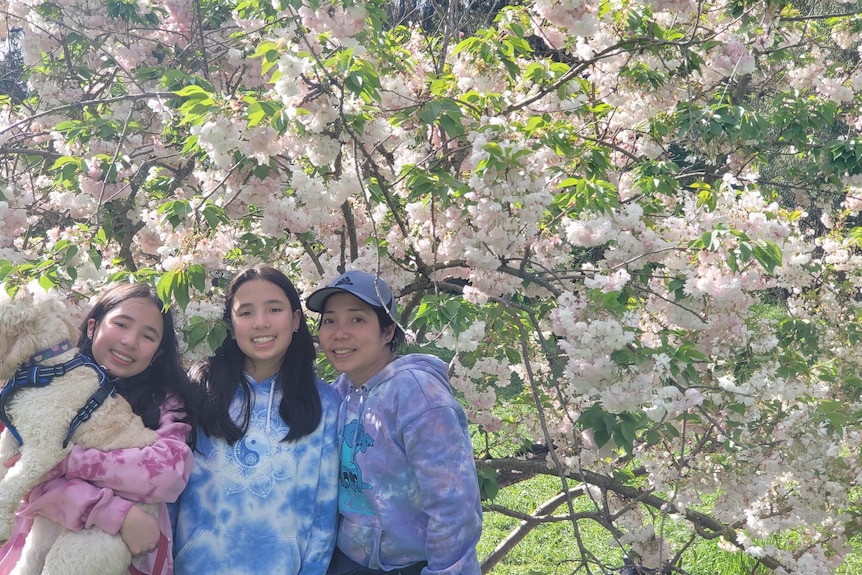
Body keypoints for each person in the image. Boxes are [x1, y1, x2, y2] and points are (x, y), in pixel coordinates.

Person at [0, 282, 198, 575]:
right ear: (91, 326)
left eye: (147, 336)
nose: (130, 341)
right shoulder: (37, 386)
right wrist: (115, 512)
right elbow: (19, 470)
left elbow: (168, 473)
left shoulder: (165, 406)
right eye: (121, 324)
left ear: (157, 353)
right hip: (33, 545)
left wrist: (66, 460)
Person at [306, 270, 483, 575]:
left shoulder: (417, 394)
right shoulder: (343, 392)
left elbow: (454, 506)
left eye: (357, 319)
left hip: (410, 566)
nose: (339, 333)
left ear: (388, 331)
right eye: (330, 320)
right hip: (347, 561)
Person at [170, 264, 340, 575]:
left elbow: (324, 507)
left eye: (274, 309)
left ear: (296, 319)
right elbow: (168, 486)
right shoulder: (199, 391)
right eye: (246, 313)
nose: (261, 323)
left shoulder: (323, 403)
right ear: (231, 326)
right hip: (197, 566)